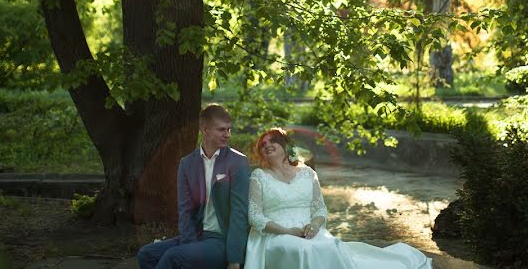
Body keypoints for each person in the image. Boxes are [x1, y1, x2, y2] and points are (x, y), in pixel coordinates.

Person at [244, 127, 432, 269]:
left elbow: (319, 210)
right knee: (304, 250)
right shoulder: (259, 176)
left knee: (330, 245)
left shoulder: (307, 174)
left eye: (272, 141)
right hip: (274, 234)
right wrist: (288, 231)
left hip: (307, 230)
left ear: (286, 146)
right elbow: (255, 216)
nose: (267, 145)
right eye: (263, 144)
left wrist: (315, 226)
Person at [137, 104, 250, 269]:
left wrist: (234, 259)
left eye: (229, 130)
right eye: (221, 130)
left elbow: (239, 214)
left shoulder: (238, 162)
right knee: (146, 254)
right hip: (196, 236)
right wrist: (189, 245)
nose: (227, 134)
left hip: (221, 240)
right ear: (205, 130)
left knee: (173, 257)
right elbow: (185, 210)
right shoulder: (187, 163)